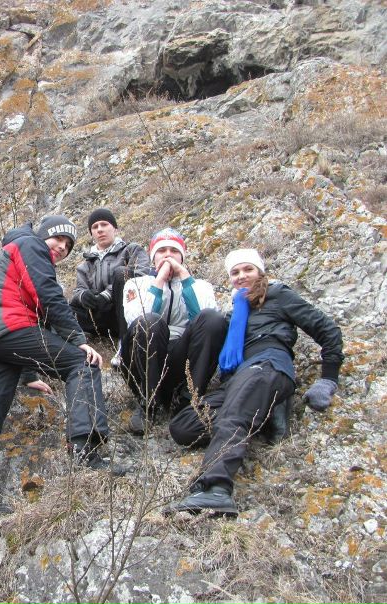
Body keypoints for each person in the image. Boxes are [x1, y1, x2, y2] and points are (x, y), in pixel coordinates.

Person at [0, 215, 127, 525]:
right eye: (58, 239)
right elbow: (47, 294)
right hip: (10, 327)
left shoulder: (18, 250)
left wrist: (29, 375)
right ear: (44, 236)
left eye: (69, 246)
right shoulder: (29, 244)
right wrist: (78, 340)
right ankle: (86, 450)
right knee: (82, 363)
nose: (62, 247)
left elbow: (37, 313)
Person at [165, 249, 343, 517]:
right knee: (184, 426)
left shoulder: (278, 294)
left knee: (233, 415)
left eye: (247, 269)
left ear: (260, 271)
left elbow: (327, 330)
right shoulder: (235, 310)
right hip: (237, 378)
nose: (241, 276)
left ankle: (215, 488)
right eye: (234, 272)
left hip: (267, 365)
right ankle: (265, 412)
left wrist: (328, 379)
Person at [117, 228, 226, 434]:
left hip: (179, 359)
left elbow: (205, 322)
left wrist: (185, 278)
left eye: (174, 251)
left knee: (213, 318)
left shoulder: (200, 286)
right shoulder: (135, 283)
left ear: (182, 256)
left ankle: (188, 398)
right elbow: (136, 320)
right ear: (153, 256)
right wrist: (158, 282)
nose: (168, 255)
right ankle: (148, 404)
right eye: (162, 251)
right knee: (149, 321)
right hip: (142, 360)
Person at [69, 208, 152, 341]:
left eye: (104, 224)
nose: (100, 229)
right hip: (100, 314)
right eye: (95, 227)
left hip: (126, 311)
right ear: (92, 234)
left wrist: (107, 294)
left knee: (121, 273)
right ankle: (82, 338)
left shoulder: (132, 250)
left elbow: (141, 274)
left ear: (115, 228)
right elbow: (79, 289)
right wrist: (83, 296)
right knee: (63, 307)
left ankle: (125, 341)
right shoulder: (85, 265)